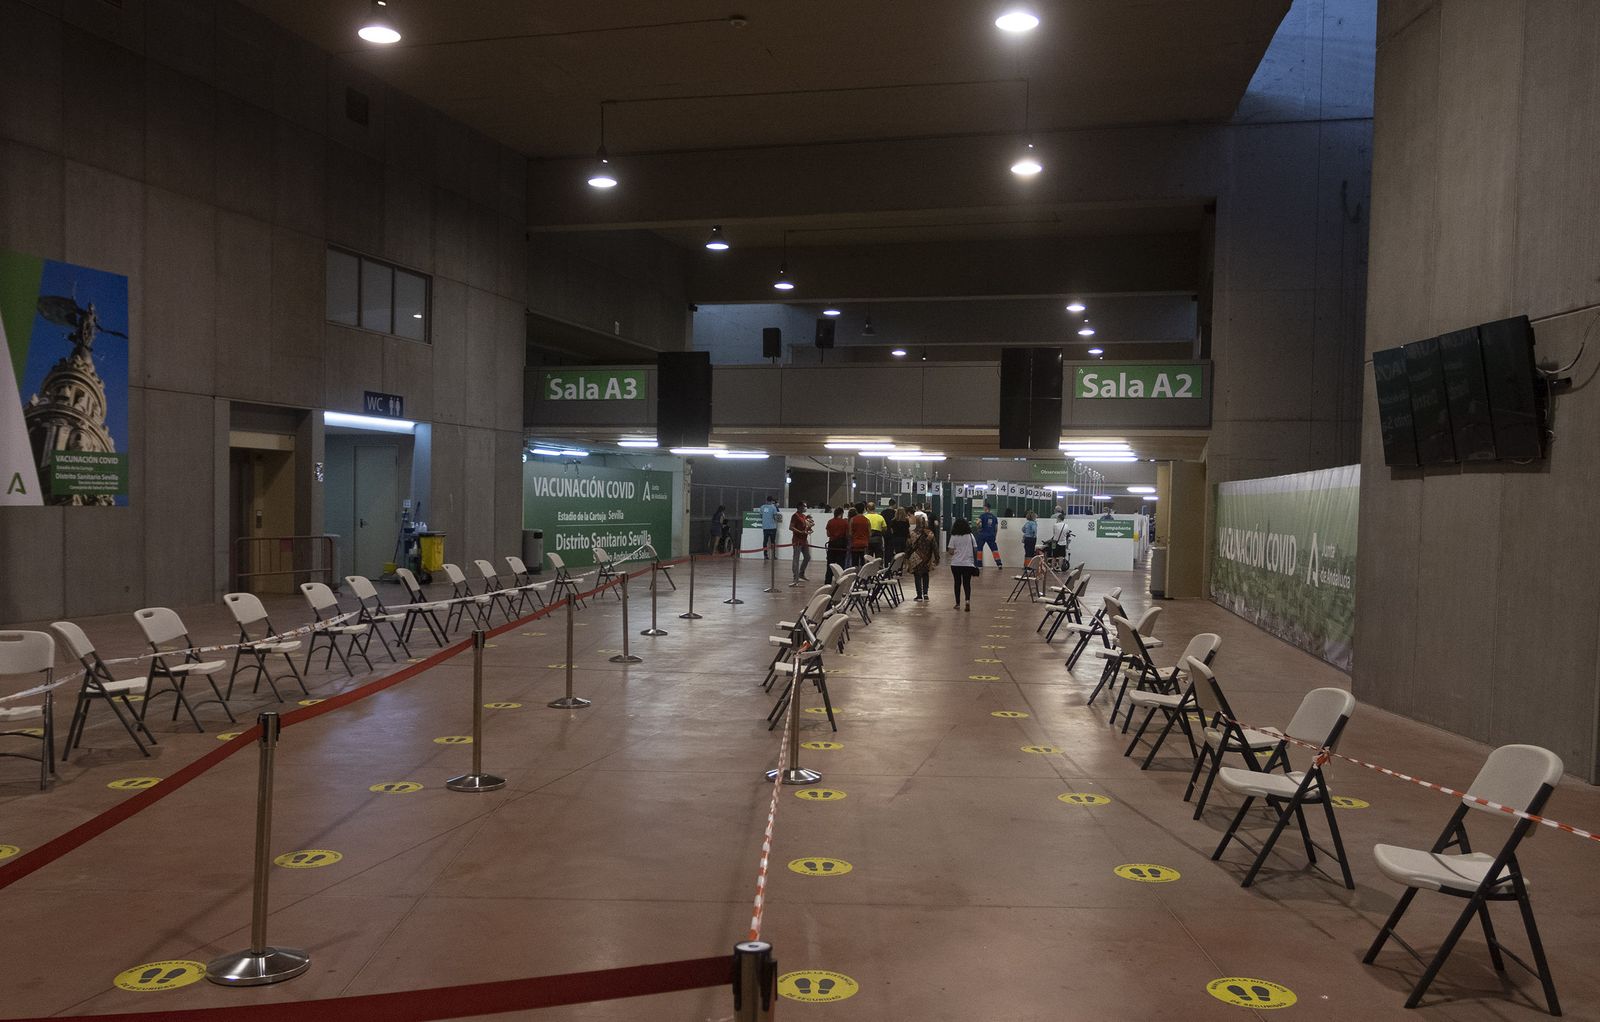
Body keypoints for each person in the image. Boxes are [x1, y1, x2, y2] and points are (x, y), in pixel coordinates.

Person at [905, 511, 939, 600]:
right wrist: (937, 557)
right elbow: (935, 546)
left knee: (917, 575)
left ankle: (919, 595)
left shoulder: (912, 533)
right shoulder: (930, 533)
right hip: (927, 557)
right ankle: (926, 593)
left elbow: (908, 546)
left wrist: (907, 557)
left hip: (915, 557)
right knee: (925, 574)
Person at [947, 517, 978, 610]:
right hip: (968, 563)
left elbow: (951, 551)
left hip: (956, 564)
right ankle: (967, 601)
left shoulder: (954, 536)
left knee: (957, 583)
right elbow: (975, 549)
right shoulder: (970, 536)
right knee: (967, 583)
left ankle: (957, 603)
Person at [789, 501, 814, 583]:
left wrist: (809, 529)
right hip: (797, 540)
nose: (805, 508)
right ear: (799, 507)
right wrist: (800, 532)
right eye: (804, 506)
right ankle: (795, 577)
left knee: (807, 557)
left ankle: (801, 574)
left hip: (804, 540)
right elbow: (791, 527)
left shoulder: (804, 516)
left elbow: (805, 527)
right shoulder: (795, 516)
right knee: (796, 558)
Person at [975, 502, 1001, 569]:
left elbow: (978, 522)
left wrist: (978, 527)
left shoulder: (982, 515)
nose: (983, 508)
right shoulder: (994, 517)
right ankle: (999, 564)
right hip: (991, 535)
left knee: (979, 549)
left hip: (982, 535)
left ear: (986, 507)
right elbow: (996, 528)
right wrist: (995, 536)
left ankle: (979, 565)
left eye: (984, 507)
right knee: (994, 550)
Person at [824, 506, 849, 571]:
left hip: (832, 544)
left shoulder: (830, 521)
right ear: (841, 513)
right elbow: (847, 534)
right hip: (841, 544)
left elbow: (828, 534)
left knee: (830, 563)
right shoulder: (845, 522)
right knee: (841, 564)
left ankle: (828, 579)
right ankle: (839, 579)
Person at [848, 502, 872, 567]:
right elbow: (870, 534)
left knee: (854, 563)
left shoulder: (852, 520)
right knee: (863, 563)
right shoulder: (867, 520)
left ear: (856, 510)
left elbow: (850, 534)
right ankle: (863, 576)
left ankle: (854, 575)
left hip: (855, 544)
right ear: (864, 510)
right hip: (864, 545)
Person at [759, 495, 780, 560]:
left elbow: (761, 516)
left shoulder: (762, 507)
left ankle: (765, 555)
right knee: (773, 542)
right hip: (772, 527)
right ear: (771, 501)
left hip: (765, 527)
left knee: (765, 541)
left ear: (766, 500)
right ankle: (773, 556)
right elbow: (775, 517)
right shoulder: (773, 507)